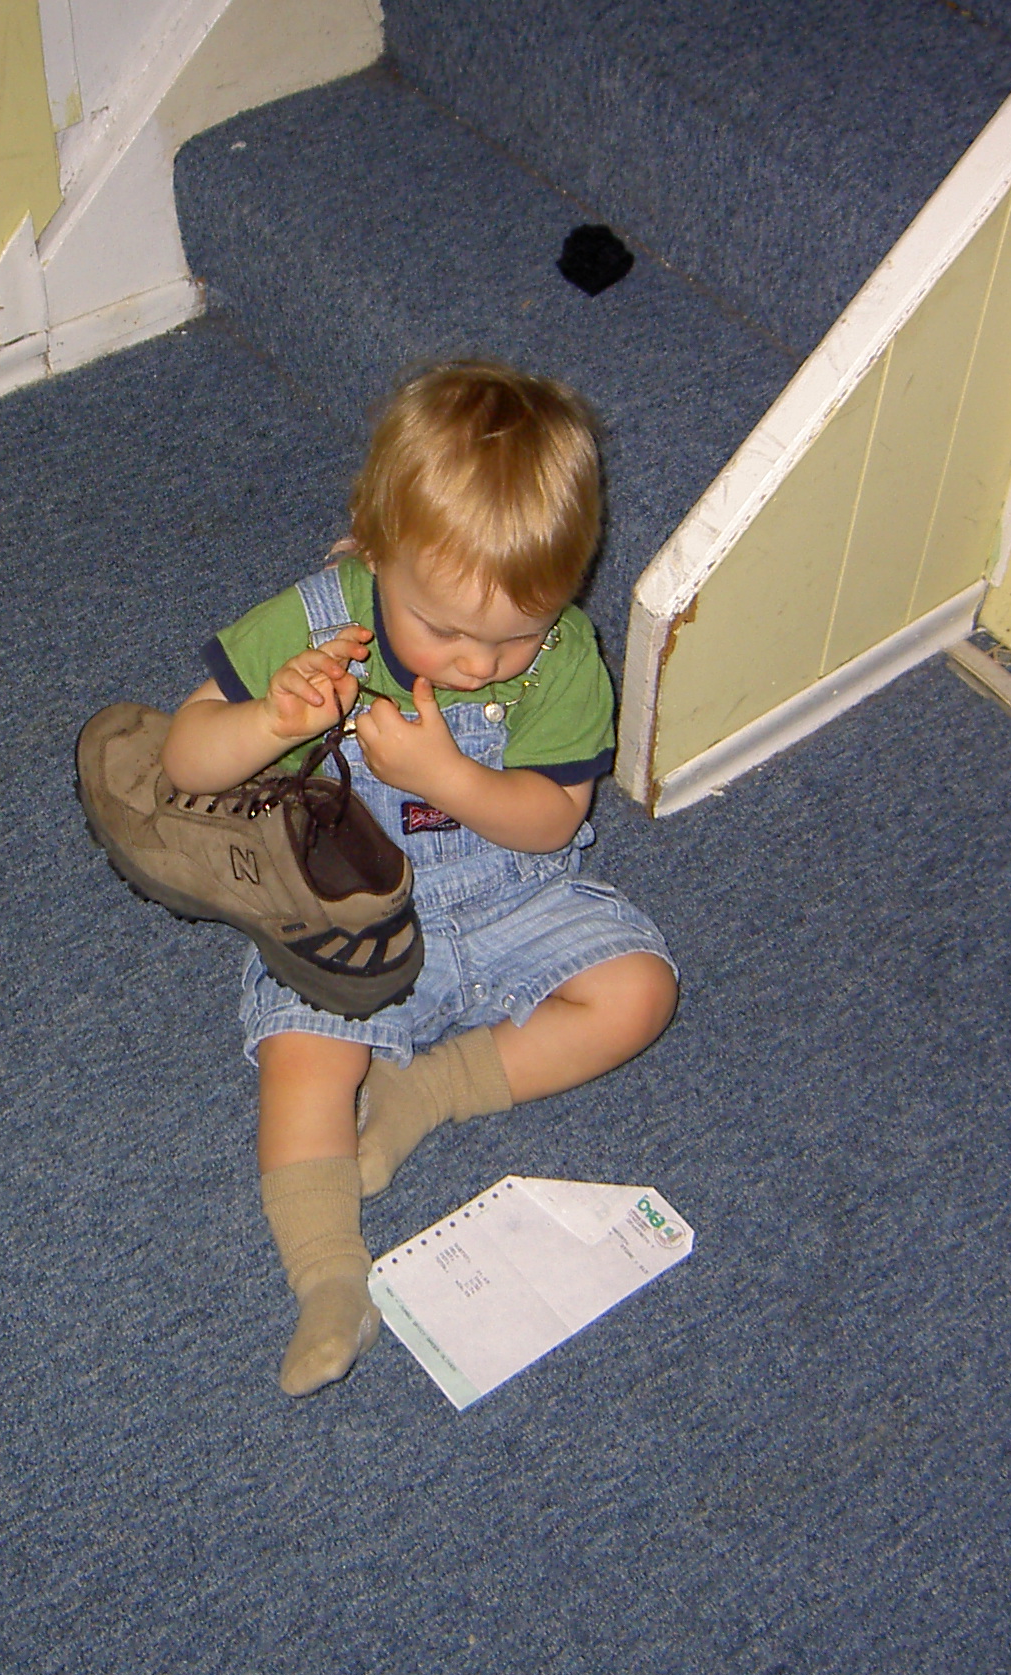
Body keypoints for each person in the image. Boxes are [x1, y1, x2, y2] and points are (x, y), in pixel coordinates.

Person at [159, 359, 678, 1396]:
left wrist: (447, 776)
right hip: (348, 911)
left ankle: (426, 1093)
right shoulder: (317, 621)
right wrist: (268, 722)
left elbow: (553, 819)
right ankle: (327, 1279)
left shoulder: (565, 655)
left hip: (513, 892)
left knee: (640, 993)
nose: (479, 665)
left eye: (517, 634)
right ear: (373, 546)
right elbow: (183, 761)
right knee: (301, 1059)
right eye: (443, 630)